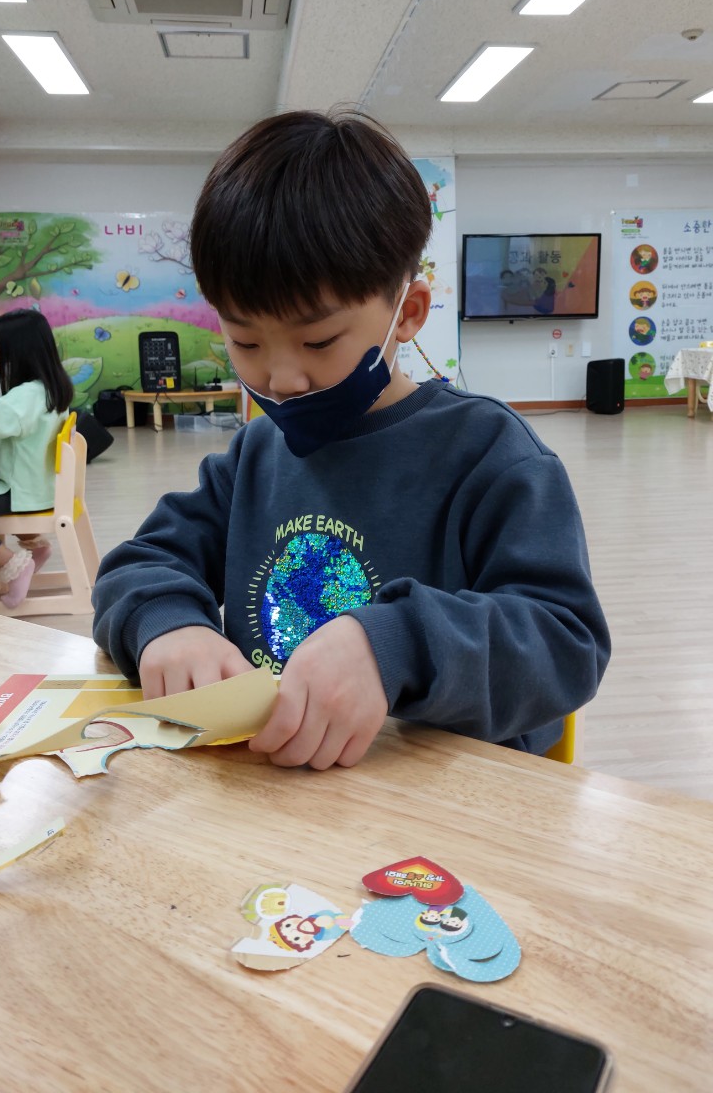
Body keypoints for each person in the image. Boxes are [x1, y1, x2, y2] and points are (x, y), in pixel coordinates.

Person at [92, 110, 610, 769]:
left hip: (439, 807)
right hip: (271, 795)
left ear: (408, 313)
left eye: (318, 341)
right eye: (245, 341)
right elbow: (139, 564)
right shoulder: (255, 456)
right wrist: (169, 623)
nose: (280, 379)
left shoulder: (490, 455)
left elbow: (565, 644)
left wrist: (395, 643)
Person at [0, 308, 73, 607]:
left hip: (21, 492)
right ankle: (34, 547)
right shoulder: (51, 387)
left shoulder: (27, 395)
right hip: (39, 487)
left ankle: (13, 563)